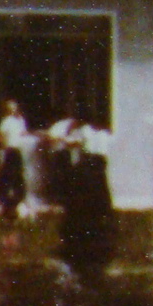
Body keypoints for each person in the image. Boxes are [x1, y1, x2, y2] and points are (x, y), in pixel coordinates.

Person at [58, 117, 116, 282]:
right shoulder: (103, 133)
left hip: (91, 162)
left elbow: (73, 144)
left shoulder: (84, 132)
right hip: (99, 163)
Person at [0, 98, 30, 220]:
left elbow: (23, 133)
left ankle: (20, 197)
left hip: (17, 149)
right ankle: (2, 197)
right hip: (10, 149)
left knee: (18, 173)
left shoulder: (20, 121)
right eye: (10, 108)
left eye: (14, 107)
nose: (12, 110)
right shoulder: (6, 121)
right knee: (7, 173)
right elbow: (1, 134)